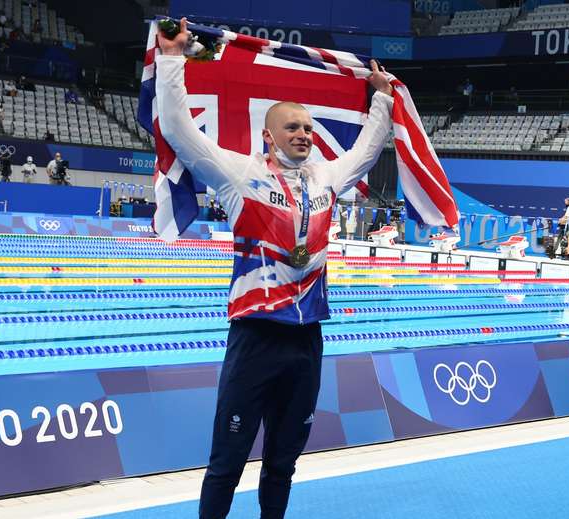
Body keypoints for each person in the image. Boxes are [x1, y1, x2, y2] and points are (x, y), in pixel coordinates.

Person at [156, 18, 393, 519]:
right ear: (270, 135)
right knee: (227, 463)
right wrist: (173, 59)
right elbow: (179, 130)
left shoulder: (327, 176)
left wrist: (382, 98)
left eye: (308, 128)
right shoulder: (239, 175)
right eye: (294, 127)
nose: (304, 135)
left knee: (283, 464)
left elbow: (368, 151)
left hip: (307, 341)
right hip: (256, 339)